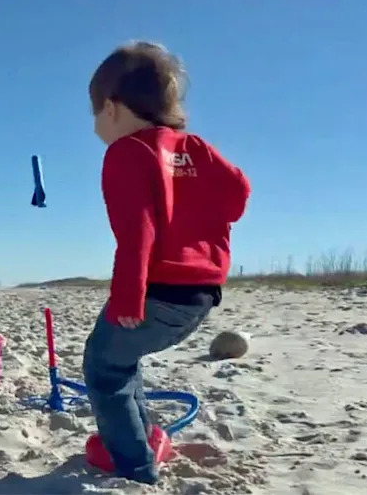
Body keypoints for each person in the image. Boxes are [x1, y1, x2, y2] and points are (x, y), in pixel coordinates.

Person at [81, 41, 251, 484]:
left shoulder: (126, 153)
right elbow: (239, 191)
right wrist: (200, 209)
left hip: (157, 290)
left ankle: (134, 466)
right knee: (124, 360)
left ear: (113, 108)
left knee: (102, 365)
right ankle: (142, 435)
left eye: (95, 113)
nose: (96, 125)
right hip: (201, 293)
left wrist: (126, 299)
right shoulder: (195, 147)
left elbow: (137, 233)